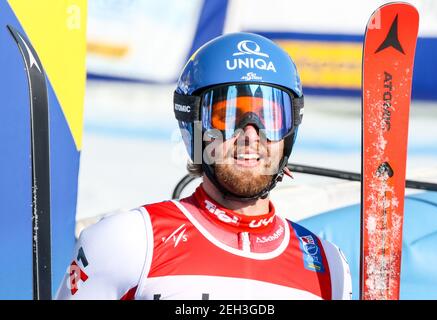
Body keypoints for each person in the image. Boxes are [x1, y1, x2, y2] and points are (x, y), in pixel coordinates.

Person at [56, 32, 352, 300]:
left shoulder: (329, 267)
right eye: (228, 117)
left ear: (290, 131)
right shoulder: (127, 242)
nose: (250, 134)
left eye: (270, 118)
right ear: (194, 127)